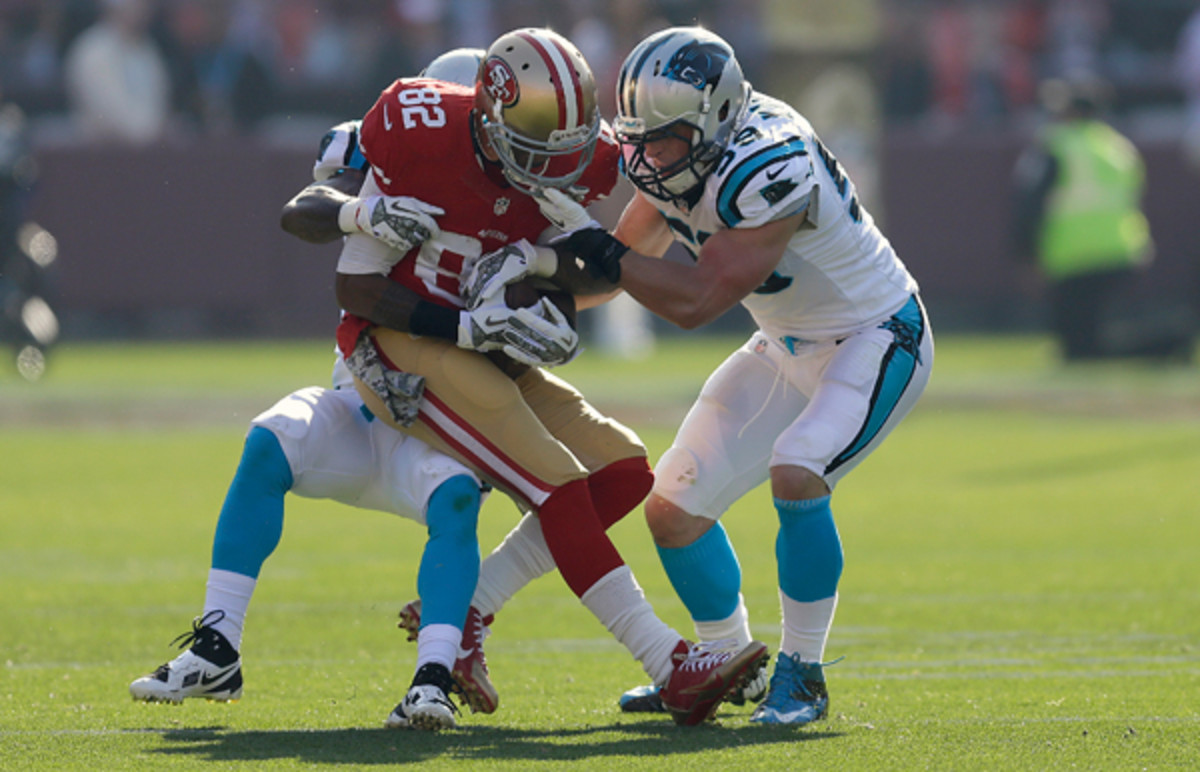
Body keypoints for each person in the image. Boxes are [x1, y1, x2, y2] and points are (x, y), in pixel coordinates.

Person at [469, 26, 934, 726]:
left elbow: (696, 298)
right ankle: (728, 662)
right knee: (673, 509)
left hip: (875, 334)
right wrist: (544, 279)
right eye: (642, 139)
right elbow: (621, 263)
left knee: (799, 470)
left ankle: (803, 673)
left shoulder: (768, 161)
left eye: (664, 141)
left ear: (715, 121)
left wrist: (598, 256)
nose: (648, 157)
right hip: (784, 342)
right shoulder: (681, 150)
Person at [331, 27, 768, 727]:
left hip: (491, 349)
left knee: (624, 471)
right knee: (558, 485)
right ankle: (670, 664)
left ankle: (470, 613)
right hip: (403, 342)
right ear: (485, 119)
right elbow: (354, 287)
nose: (558, 172)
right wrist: (467, 328)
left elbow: (593, 272)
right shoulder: (417, 131)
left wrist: (545, 265)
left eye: (568, 153)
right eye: (539, 155)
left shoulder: (580, 157)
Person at [128, 48, 548, 733]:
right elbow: (304, 209)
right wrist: (362, 216)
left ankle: (432, 679)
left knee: (457, 497)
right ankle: (217, 647)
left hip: (435, 425)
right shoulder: (393, 144)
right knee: (269, 439)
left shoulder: (525, 187)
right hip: (358, 402)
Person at [1011, 76, 1189, 361]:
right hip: (1123, 253)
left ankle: (1168, 344)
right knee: (1091, 337)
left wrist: (1025, 255)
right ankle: (1168, 344)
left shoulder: (1056, 146)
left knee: (1080, 347)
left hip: (1074, 257)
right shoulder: (1118, 148)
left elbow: (1029, 205)